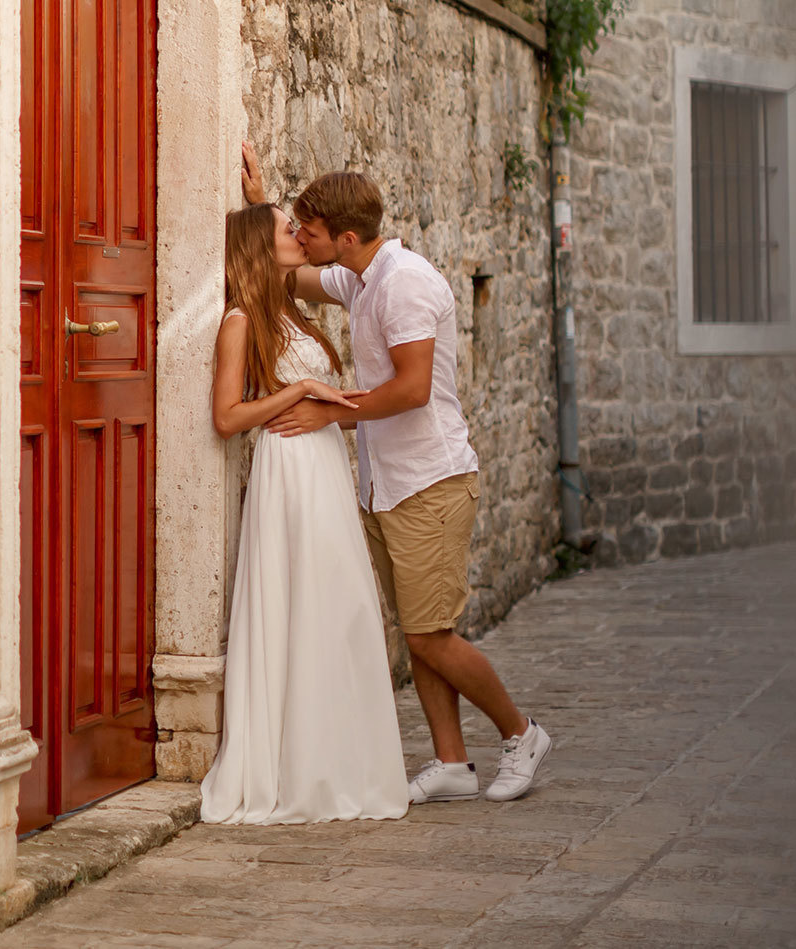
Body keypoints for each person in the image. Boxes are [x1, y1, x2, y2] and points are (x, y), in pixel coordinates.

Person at [241, 142, 552, 804]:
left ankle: (521, 733)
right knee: (419, 629)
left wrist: (331, 412)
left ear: (346, 237)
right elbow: (281, 269)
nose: (301, 238)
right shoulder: (359, 276)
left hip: (429, 483)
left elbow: (412, 389)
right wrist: (258, 203)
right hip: (386, 484)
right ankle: (451, 762)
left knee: (429, 633)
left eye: (311, 230)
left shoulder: (405, 282)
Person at [199, 201, 410, 824]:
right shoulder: (239, 321)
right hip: (287, 472)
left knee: (340, 604)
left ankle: (346, 761)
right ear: (262, 248)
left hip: (323, 469)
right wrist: (297, 391)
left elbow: (275, 243)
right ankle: (300, 768)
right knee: (304, 602)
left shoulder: (286, 306)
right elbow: (227, 418)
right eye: (286, 230)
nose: (299, 234)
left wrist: (260, 196)